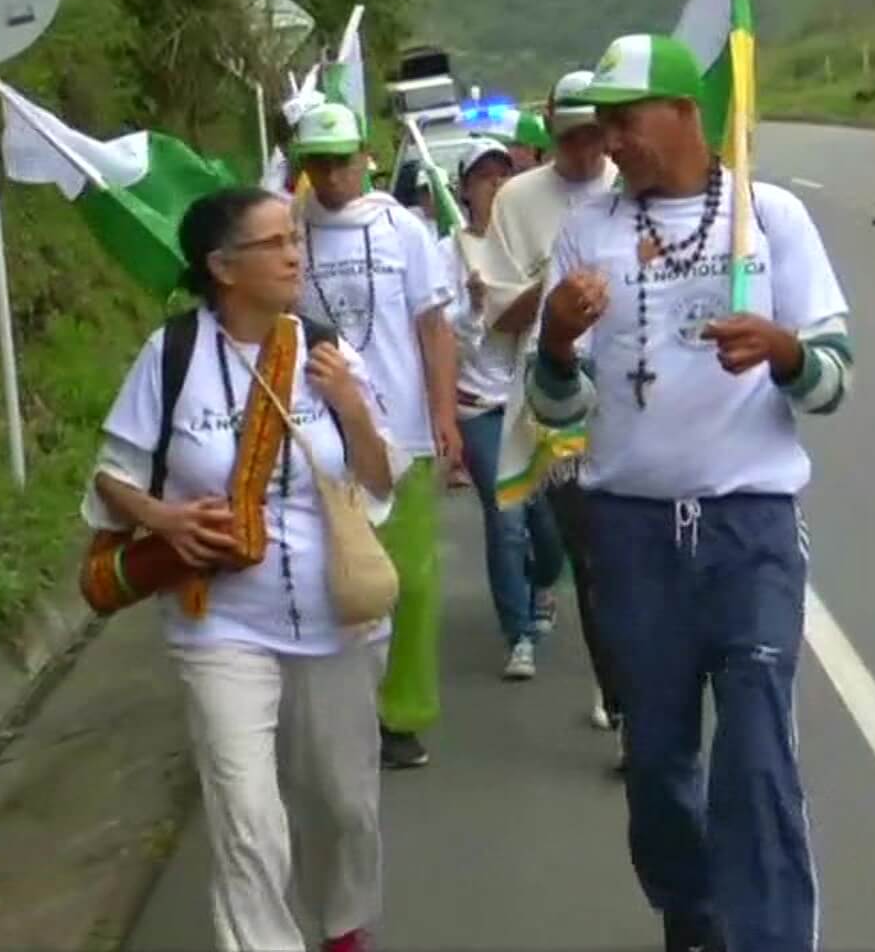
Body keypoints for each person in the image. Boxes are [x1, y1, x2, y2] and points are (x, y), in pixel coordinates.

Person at [530, 33, 854, 952]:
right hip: (629, 532)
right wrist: (555, 342)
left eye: (625, 121)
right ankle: (693, 915)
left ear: (684, 115)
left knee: (755, 753)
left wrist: (786, 353)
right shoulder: (588, 234)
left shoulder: (771, 218)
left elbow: (836, 378)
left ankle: (771, 937)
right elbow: (559, 401)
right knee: (659, 762)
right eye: (601, 125)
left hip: (747, 525)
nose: (612, 141)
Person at [82, 186, 403, 952]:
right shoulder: (173, 356)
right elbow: (111, 476)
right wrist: (164, 520)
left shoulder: (327, 351)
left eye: (296, 238)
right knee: (248, 819)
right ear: (223, 267)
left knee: (343, 808)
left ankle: (340, 926)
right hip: (221, 624)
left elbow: (383, 479)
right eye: (275, 242)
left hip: (337, 618)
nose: (296, 252)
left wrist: (350, 406)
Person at [291, 102, 460, 771]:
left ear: (366, 155)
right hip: (318, 435)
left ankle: (401, 714)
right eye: (318, 163)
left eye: (342, 159)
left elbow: (434, 327)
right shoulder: (286, 232)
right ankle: (341, 710)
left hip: (403, 433)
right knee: (334, 577)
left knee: (410, 582)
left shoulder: (403, 230)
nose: (333, 175)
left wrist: (443, 413)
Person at [481, 69, 622, 736]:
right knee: (591, 550)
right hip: (552, 395)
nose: (587, 150)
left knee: (638, 549)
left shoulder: (632, 186)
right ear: (550, 130)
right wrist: (556, 289)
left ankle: (639, 676)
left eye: (597, 134)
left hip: (633, 392)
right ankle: (618, 693)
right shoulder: (517, 200)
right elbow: (501, 320)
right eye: (572, 138)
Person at [436, 138, 566, 680]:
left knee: (551, 528)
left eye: (503, 175)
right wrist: (472, 306)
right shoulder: (449, 252)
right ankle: (519, 635)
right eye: (484, 178)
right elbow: (446, 342)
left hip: (533, 401)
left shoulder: (530, 240)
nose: (495, 185)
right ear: (465, 188)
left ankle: (539, 586)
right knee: (506, 515)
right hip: (481, 407)